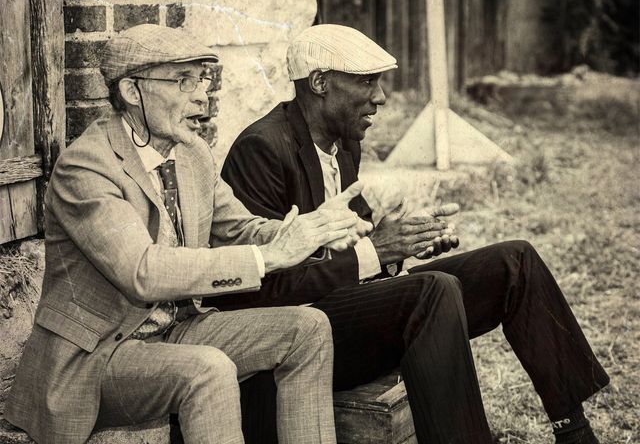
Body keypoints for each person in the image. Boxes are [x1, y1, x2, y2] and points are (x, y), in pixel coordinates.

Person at [213, 24, 610, 444]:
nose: (380, 97)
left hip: (350, 308)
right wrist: (376, 250)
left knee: (514, 261)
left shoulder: (345, 144)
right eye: (367, 81)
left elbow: (363, 239)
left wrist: (406, 241)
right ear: (319, 83)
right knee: (431, 292)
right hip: (300, 333)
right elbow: (259, 286)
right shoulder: (261, 148)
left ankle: (574, 431)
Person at [4, 24, 371, 444]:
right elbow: (142, 270)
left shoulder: (192, 153)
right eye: (183, 81)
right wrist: (269, 257)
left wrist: (307, 233)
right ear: (132, 91)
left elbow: (240, 229)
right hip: (99, 355)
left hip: (178, 328)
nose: (201, 95)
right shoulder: (85, 167)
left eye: (202, 80)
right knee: (207, 369)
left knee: (307, 328)